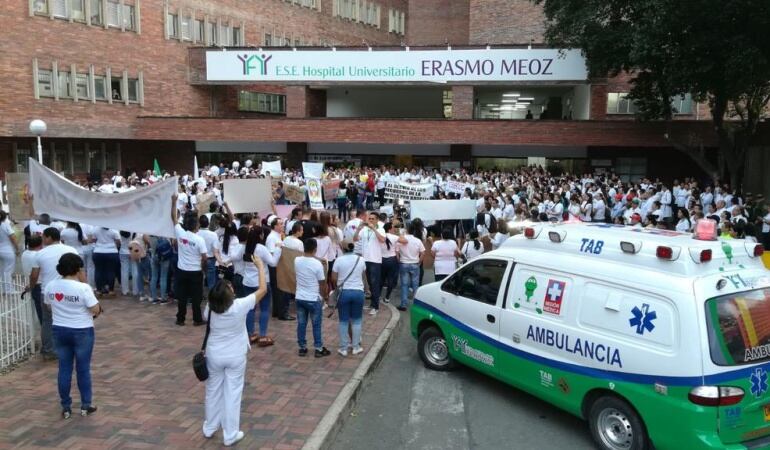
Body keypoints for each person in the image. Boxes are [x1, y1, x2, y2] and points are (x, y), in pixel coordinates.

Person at [202, 255, 268, 447]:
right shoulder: (239, 306)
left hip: (214, 354)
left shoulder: (211, 308)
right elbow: (262, 289)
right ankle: (230, 433)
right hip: (235, 355)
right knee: (233, 393)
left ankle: (210, 426)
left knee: (213, 390)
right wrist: (260, 267)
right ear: (229, 294)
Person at [45, 253, 102, 419]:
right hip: (82, 330)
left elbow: (48, 306)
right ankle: (86, 405)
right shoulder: (83, 288)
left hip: (59, 329)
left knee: (64, 368)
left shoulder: (50, 285)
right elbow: (95, 309)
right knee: (83, 369)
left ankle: (66, 406)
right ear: (78, 269)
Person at [29, 227, 79, 360]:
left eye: (44, 237)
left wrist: (31, 286)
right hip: (70, 290)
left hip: (47, 291)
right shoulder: (71, 250)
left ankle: (48, 349)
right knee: (69, 318)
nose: (43, 240)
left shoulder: (40, 254)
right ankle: (69, 346)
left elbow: (34, 275)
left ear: (49, 237)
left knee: (47, 321)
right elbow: (80, 270)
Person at [171, 198, 208, 326]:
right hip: (195, 271)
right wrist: (204, 269)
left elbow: (173, 218)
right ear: (196, 226)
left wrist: (173, 202)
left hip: (182, 270)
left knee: (182, 296)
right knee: (196, 297)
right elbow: (204, 257)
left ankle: (180, 318)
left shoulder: (180, 233)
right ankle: (197, 319)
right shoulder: (199, 240)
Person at [294, 238, 330, 357]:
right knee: (316, 324)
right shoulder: (317, 264)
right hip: (313, 298)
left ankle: (302, 347)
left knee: (301, 323)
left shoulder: (297, 260)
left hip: (300, 297)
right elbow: (322, 283)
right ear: (315, 249)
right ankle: (318, 348)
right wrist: (324, 296)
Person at [241, 226, 277, 346]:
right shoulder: (261, 248)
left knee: (250, 309)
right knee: (264, 308)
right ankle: (262, 335)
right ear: (260, 236)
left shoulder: (245, 247)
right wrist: (278, 250)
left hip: (248, 282)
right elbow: (272, 262)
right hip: (262, 282)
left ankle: (250, 334)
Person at [332, 240, 366, 356]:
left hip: (344, 292)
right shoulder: (360, 259)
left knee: (343, 321)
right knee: (356, 320)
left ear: (342, 248)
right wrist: (367, 289)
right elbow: (363, 276)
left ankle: (343, 348)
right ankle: (356, 347)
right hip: (358, 292)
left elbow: (333, 278)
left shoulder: (338, 260)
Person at [353, 212, 385, 316]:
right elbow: (355, 239)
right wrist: (358, 228)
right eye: (369, 219)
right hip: (365, 259)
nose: (370, 220)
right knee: (369, 284)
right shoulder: (364, 229)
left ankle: (376, 306)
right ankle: (372, 304)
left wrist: (374, 229)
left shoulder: (381, 229)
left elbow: (382, 240)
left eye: (372, 219)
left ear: (377, 220)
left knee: (375, 283)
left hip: (375, 260)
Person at [396, 222, 425, 311]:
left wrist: (399, 261)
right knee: (415, 285)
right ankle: (416, 304)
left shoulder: (400, 240)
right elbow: (423, 252)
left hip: (404, 263)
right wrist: (419, 262)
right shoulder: (417, 240)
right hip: (415, 263)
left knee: (404, 285)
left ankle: (403, 304)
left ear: (406, 230)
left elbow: (397, 253)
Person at [91, 227, 120, 297]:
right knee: (111, 271)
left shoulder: (96, 229)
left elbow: (93, 240)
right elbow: (118, 242)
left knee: (98, 270)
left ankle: (98, 290)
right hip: (111, 252)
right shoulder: (114, 229)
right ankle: (111, 290)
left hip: (98, 251)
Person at [0, 210, 20, 291]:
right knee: (8, 271)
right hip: (7, 250)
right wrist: (17, 249)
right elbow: (13, 238)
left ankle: (2, 288)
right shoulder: (5, 225)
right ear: (5, 217)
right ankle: (8, 290)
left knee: (2, 270)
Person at [380, 223, 399, 303]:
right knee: (390, 279)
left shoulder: (381, 237)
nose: (394, 229)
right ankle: (387, 297)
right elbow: (405, 240)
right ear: (390, 229)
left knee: (381, 279)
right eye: (393, 227)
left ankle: (378, 295)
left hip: (382, 259)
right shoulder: (395, 237)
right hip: (392, 259)